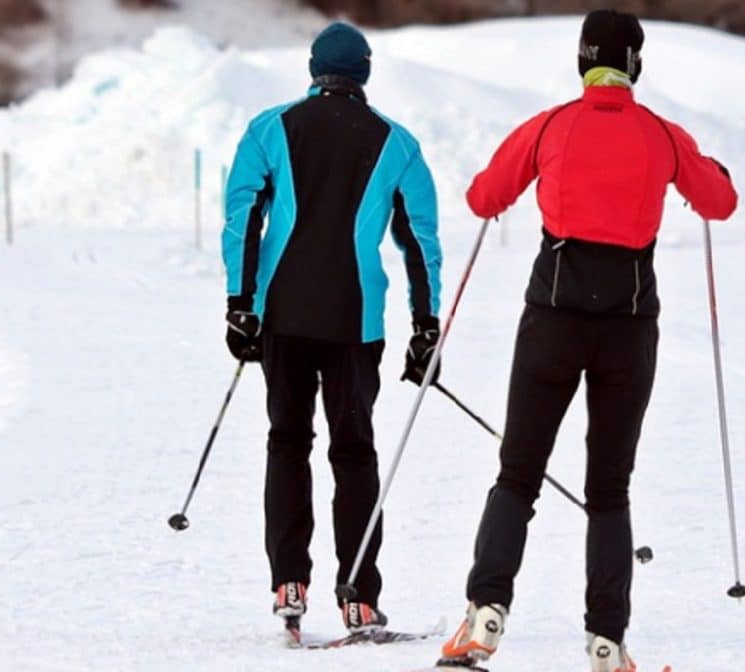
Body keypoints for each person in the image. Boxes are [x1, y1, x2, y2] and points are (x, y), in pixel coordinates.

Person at [438, 10, 738, 672]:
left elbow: (484, 197)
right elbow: (719, 202)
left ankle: (484, 616)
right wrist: (708, 166)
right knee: (609, 487)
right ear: (634, 63)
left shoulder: (550, 125)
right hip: (629, 330)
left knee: (518, 471)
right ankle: (607, 642)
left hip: (552, 320)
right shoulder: (662, 135)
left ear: (582, 61)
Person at [221, 21, 443, 637]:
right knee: (354, 452)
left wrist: (240, 304)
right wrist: (427, 327)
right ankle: (359, 597)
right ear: (364, 73)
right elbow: (420, 243)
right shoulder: (396, 143)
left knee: (287, 443)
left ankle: (288, 581)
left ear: (314, 69)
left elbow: (244, 218)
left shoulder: (269, 128)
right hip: (355, 321)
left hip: (283, 317)